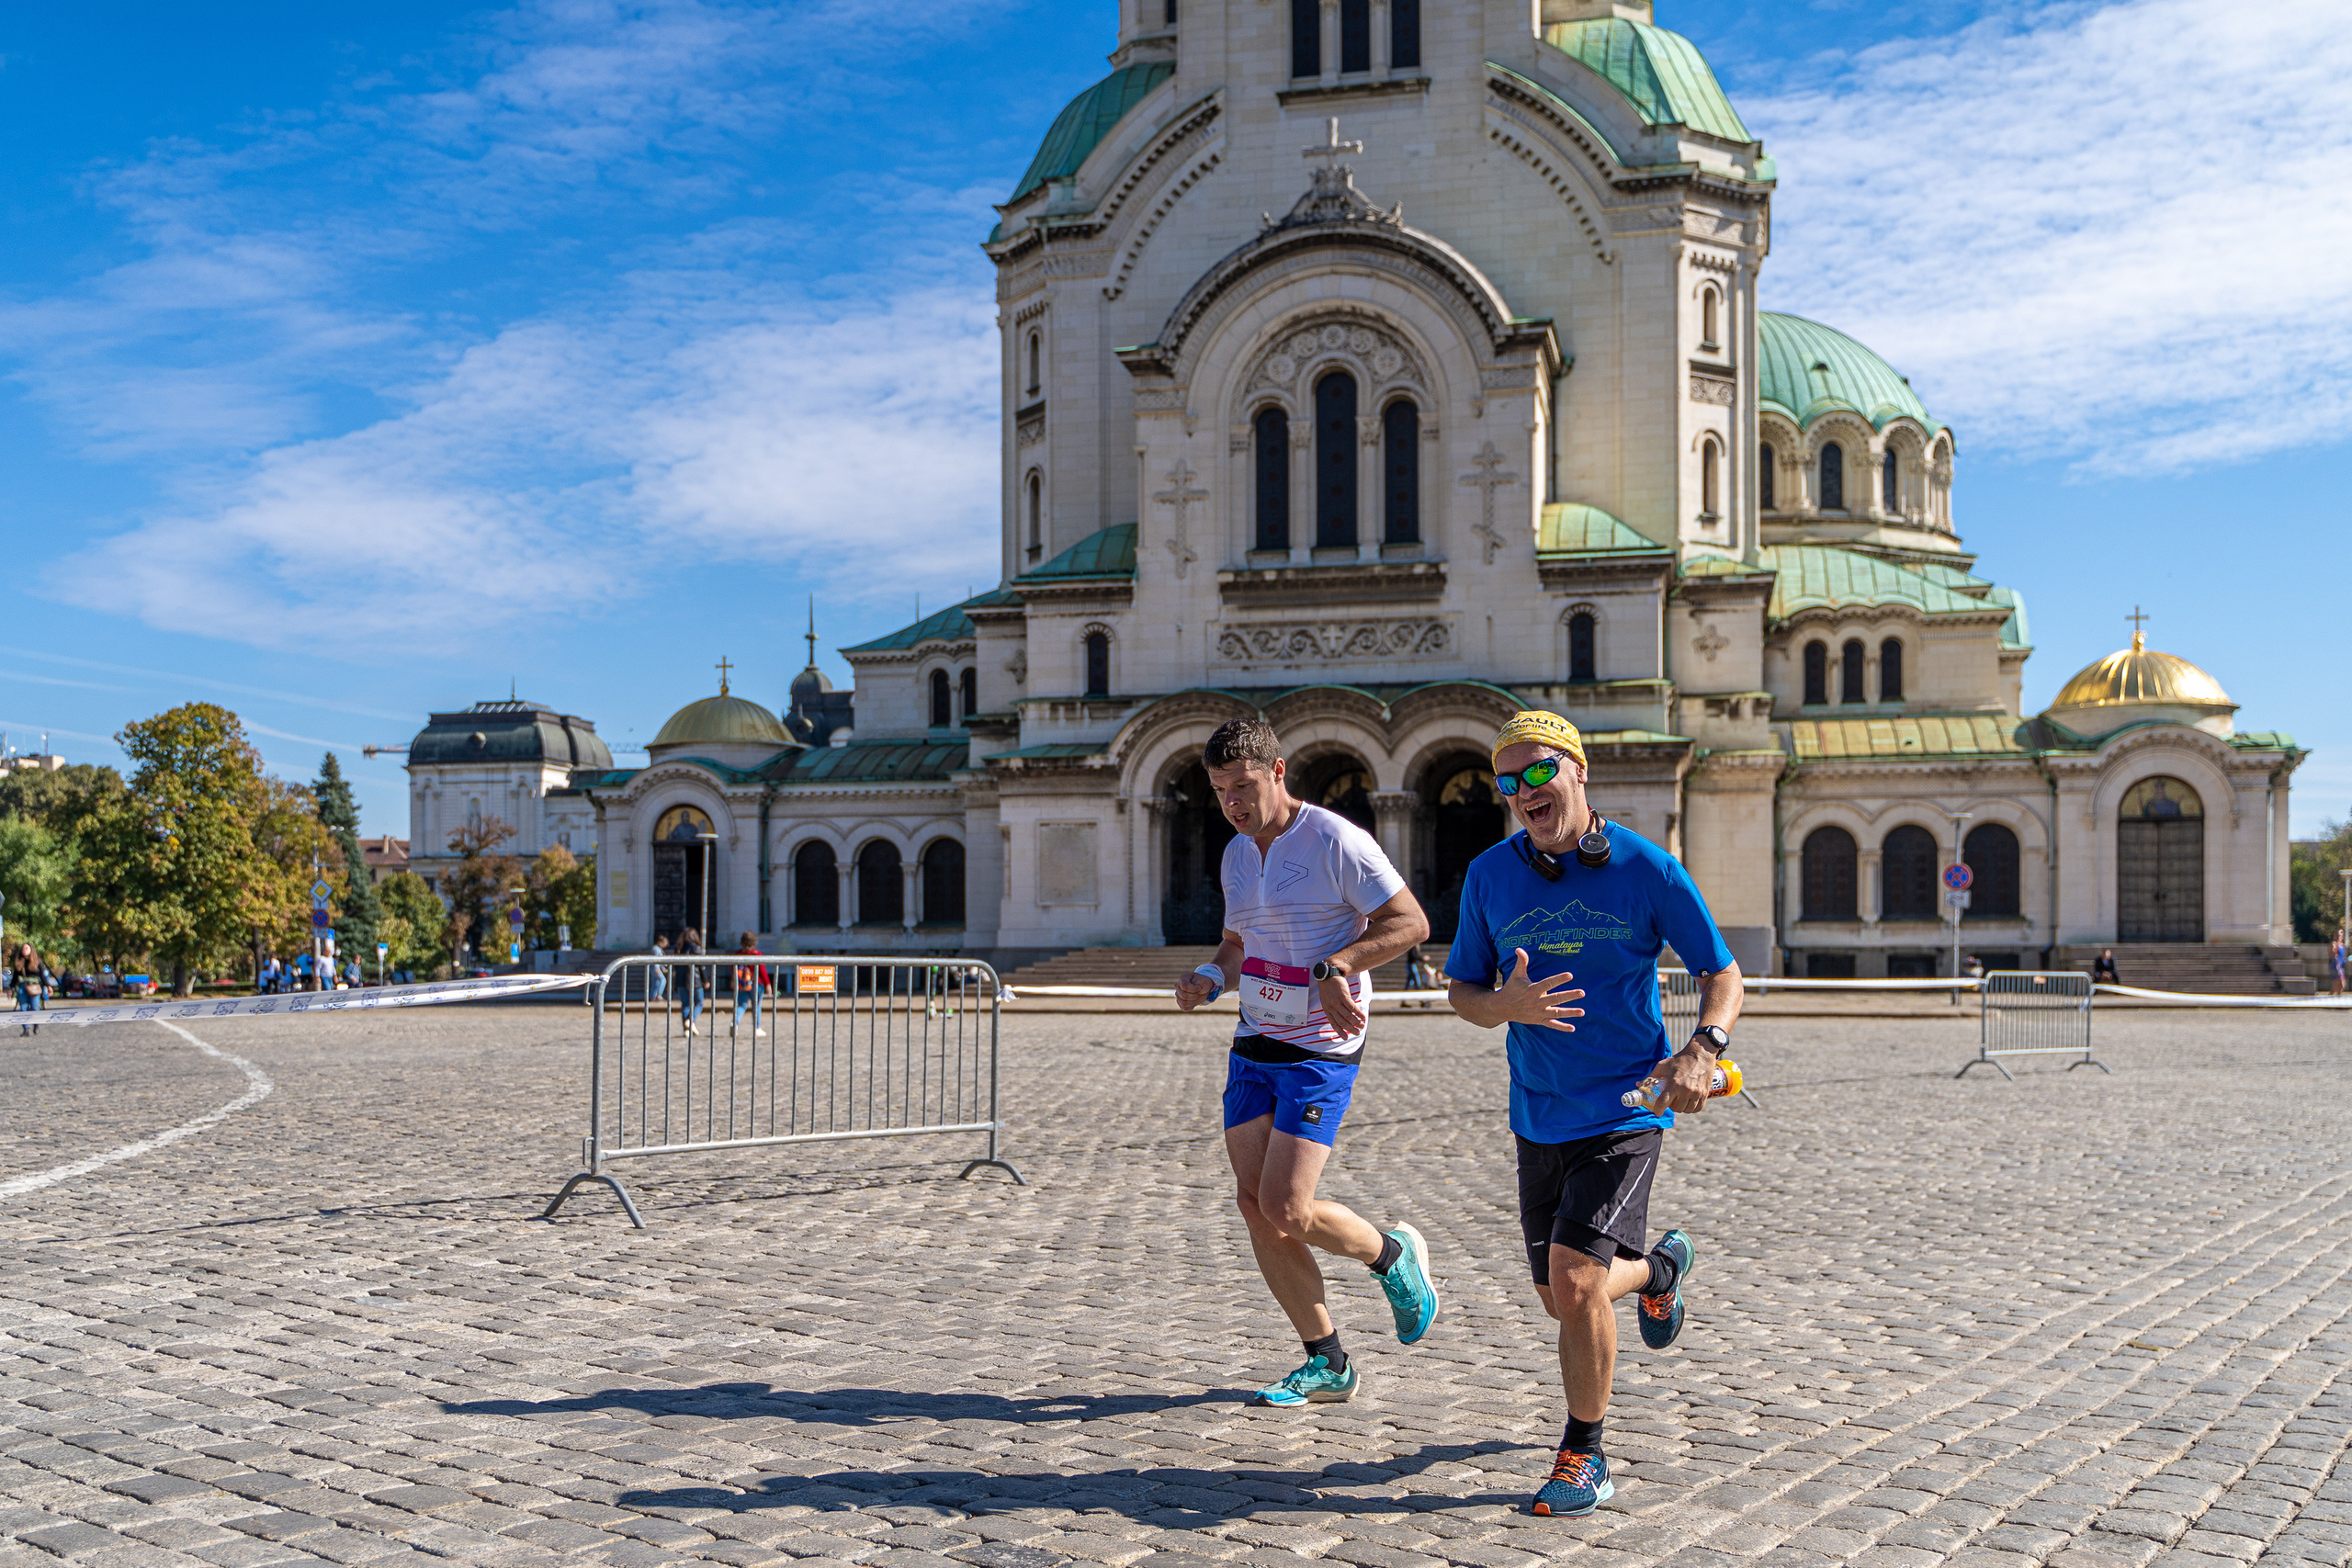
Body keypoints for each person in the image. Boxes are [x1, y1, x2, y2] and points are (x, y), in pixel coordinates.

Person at [1443, 711, 1743, 1518]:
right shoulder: (1488, 876)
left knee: (1576, 1284)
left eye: (1538, 773)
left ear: (1579, 770)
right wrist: (1500, 1003)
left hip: (1626, 1104)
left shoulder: (1648, 869)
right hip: (1537, 1110)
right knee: (1560, 1293)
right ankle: (1659, 1270)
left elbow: (1722, 971)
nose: (1522, 793)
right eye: (1507, 782)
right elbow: (1461, 990)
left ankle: (1586, 1453)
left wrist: (1701, 1049)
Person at [1171, 716, 1441, 1408]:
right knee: (1254, 1205)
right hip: (1256, 1035)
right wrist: (1208, 973)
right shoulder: (1236, 853)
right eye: (1220, 790)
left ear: (1279, 770)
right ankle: (1327, 1361)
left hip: (1322, 1043)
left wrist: (1339, 964)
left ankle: (1391, 1254)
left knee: (1286, 1204)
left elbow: (1411, 922)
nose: (1233, 801)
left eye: (1244, 785)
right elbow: (1237, 941)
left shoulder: (1335, 840)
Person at [732, 932, 768, 1036]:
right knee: (756, 1005)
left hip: (742, 984)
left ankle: (735, 1023)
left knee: (742, 1005)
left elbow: (733, 968)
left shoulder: (737, 954)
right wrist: (767, 983)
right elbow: (762, 970)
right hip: (757, 983)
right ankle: (757, 1028)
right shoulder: (756, 954)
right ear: (754, 941)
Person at [13, 944, 47, 1035]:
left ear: (31, 950)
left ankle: (36, 1025)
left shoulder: (37, 962)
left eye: (26, 948)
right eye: (23, 948)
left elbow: (42, 976)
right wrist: (11, 987)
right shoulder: (19, 962)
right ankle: (26, 1028)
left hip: (34, 986)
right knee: (23, 1008)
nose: (24, 950)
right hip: (22, 987)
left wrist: (47, 985)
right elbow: (15, 976)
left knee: (35, 1007)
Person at [678, 928, 707, 1034]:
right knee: (699, 1002)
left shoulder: (679, 948)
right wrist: (705, 980)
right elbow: (701, 966)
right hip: (695, 980)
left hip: (681, 979)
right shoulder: (696, 948)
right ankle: (691, 1021)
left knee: (686, 1004)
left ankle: (687, 1030)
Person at [1404, 944, 1439, 1008]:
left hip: (1411, 964)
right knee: (1417, 983)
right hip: (1412, 965)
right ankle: (1422, 1000)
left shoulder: (1414, 945)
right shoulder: (1413, 945)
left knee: (1409, 983)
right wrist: (1422, 958)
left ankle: (1404, 1000)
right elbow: (1414, 956)